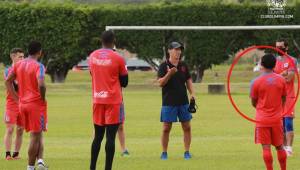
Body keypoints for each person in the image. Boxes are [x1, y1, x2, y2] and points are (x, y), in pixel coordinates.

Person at [5, 41, 48, 170]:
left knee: (38, 133)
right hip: (35, 104)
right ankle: (30, 167)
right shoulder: (38, 66)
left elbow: (8, 82)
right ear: (39, 52)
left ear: (28, 51)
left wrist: (16, 98)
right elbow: (41, 84)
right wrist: (43, 98)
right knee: (35, 136)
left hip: (22, 104)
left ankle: (40, 162)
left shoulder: (18, 64)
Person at [89, 30, 128, 170]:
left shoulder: (92, 56)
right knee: (110, 138)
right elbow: (124, 82)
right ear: (113, 41)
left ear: (101, 41)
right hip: (113, 101)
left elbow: (92, 74)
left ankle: (92, 167)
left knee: (97, 137)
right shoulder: (118, 58)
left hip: (98, 100)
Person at [157, 41, 195, 160]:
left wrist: (192, 93)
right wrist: (169, 74)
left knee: (187, 127)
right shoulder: (164, 66)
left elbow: (188, 80)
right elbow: (160, 83)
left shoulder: (183, 65)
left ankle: (187, 152)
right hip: (169, 102)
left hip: (183, 102)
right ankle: (164, 153)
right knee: (166, 128)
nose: (178, 52)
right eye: (175, 49)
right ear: (169, 51)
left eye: (179, 50)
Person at [250, 54, 287, 170]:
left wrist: (261, 108)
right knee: (280, 146)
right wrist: (278, 109)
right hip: (277, 118)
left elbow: (253, 101)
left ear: (261, 64)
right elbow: (284, 98)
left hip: (262, 119)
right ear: (275, 64)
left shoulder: (256, 82)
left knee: (266, 148)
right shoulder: (281, 80)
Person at [273, 39, 297, 156]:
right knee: (280, 125)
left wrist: (278, 76)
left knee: (288, 123)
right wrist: (282, 74)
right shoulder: (273, 61)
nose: (278, 49)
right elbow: (270, 78)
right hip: (276, 98)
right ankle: (283, 148)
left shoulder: (292, 60)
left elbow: (289, 79)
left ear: (286, 48)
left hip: (288, 97)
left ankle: (289, 148)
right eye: (277, 47)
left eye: (281, 47)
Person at [3, 48, 24, 160]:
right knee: (10, 129)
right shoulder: (8, 70)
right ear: (13, 57)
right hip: (12, 104)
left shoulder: (25, 70)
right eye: (20, 57)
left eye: (23, 57)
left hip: (24, 104)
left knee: (20, 129)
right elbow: (13, 86)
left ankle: (16, 154)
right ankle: (7, 154)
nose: (22, 59)